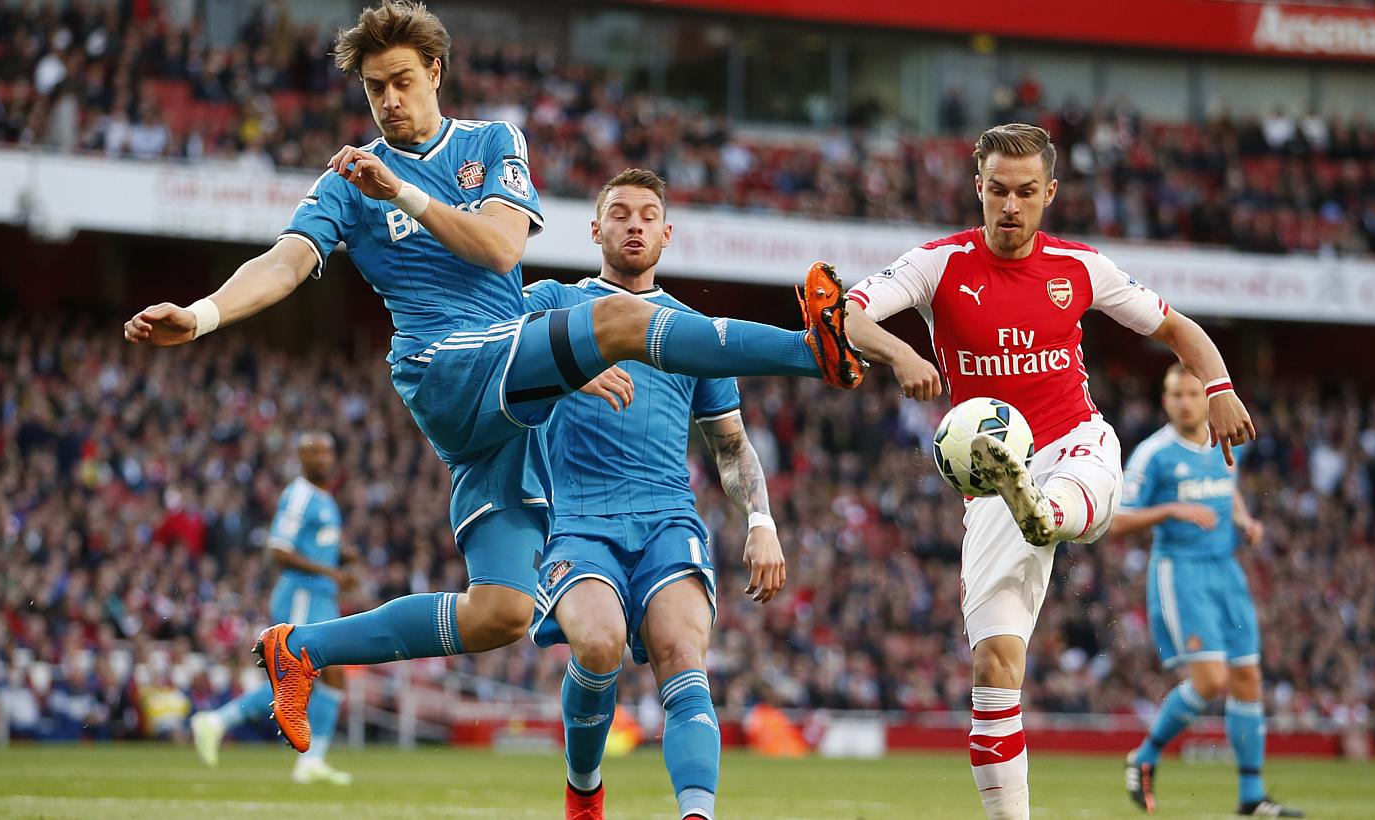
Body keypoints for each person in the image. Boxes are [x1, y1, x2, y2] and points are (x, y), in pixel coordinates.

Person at [121, 0, 863, 754]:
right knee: (621, 325)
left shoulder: (490, 143)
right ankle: (815, 351)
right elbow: (286, 261)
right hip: (444, 368)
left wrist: (411, 200)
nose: (388, 101)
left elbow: (503, 248)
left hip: (506, 397)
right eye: (374, 88)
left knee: (500, 613)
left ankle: (302, 649)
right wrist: (205, 314)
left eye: (402, 81)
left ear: (435, 72)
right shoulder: (350, 180)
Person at [839, 123, 1255, 820]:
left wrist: (1220, 389)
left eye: (1026, 192)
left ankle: (1047, 511)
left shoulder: (1082, 267)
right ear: (978, 188)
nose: (1010, 205)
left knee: (1063, 496)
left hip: (1075, 448)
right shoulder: (938, 265)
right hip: (994, 484)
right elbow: (849, 314)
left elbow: (1178, 328)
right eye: (997, 190)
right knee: (993, 668)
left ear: (1049, 193)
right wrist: (900, 354)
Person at [523, 168, 784, 820]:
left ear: (666, 234)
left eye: (647, 215)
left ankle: (697, 814)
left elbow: (730, 445)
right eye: (620, 213)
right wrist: (566, 364)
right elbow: (489, 344)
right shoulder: (554, 303)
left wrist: (762, 521)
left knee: (682, 655)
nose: (633, 224)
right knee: (600, 643)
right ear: (595, 229)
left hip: (669, 518)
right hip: (578, 518)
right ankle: (584, 790)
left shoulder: (691, 330)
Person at [1112, 364, 1302, 817]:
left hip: (1226, 570)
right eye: (1176, 395)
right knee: (1211, 680)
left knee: (1247, 679)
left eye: (1193, 394)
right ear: (1165, 400)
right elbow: (1116, 521)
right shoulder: (1152, 454)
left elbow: (1226, 487)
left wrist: (1244, 520)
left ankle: (1252, 798)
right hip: (1182, 572)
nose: (1185, 402)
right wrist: (1171, 509)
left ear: (1206, 397)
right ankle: (1144, 756)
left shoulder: (1221, 439)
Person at [189, 431, 358, 785]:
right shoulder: (298, 495)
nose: (323, 459)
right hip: (301, 595)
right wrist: (331, 570)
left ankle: (312, 760)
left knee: (336, 673)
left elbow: (314, 544)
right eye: (314, 453)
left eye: (328, 452)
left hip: (322, 596)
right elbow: (278, 550)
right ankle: (217, 721)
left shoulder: (325, 498)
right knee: (294, 678)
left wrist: (341, 556)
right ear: (301, 458)